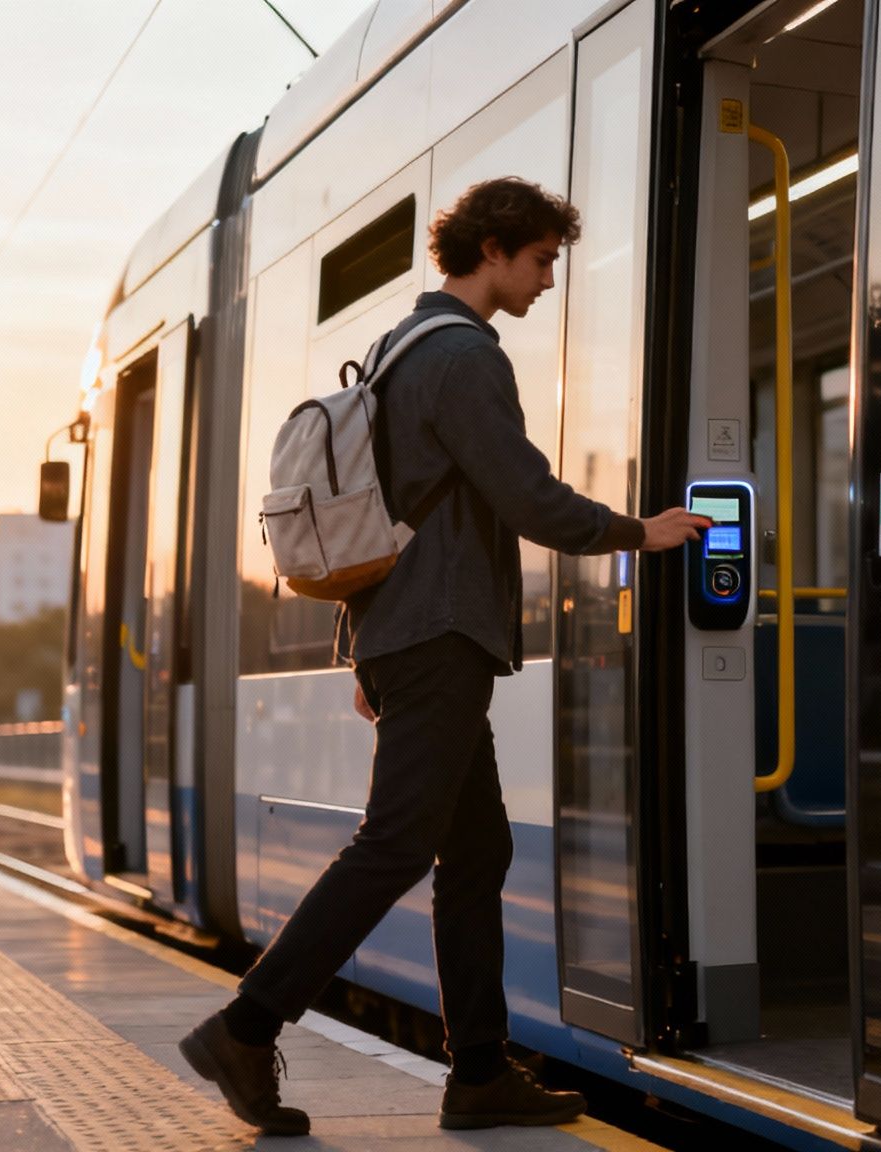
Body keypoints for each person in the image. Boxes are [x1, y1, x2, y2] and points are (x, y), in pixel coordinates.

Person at [179, 177, 709, 1135]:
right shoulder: (465, 357)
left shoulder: (396, 350)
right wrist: (644, 532)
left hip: (407, 634)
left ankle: (477, 1073)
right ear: (496, 249)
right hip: (440, 637)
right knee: (396, 844)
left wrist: (364, 651)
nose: (549, 280)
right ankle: (247, 1026)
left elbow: (379, 519)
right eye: (543, 260)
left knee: (477, 849)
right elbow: (529, 498)